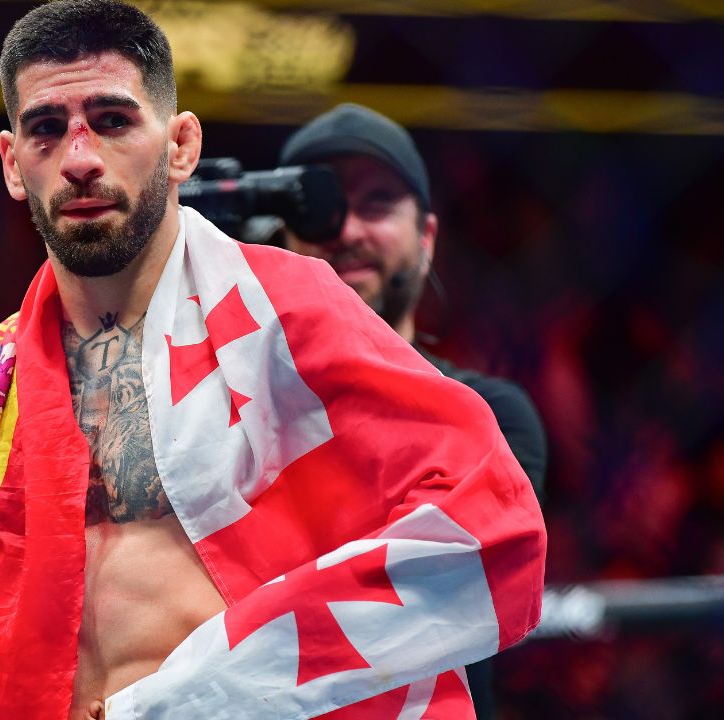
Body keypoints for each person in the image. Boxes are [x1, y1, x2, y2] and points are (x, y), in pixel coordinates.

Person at [0, 2, 546, 719]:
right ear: (13, 163)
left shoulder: (289, 313)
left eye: (113, 119)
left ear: (180, 145)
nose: (80, 159)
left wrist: (196, 698)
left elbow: (486, 519)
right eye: (47, 128)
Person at [279, 103, 550, 719]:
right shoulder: (240, 412)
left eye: (376, 204)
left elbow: (421, 600)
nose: (346, 230)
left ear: (426, 239)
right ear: (284, 240)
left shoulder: (492, 414)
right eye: (320, 207)